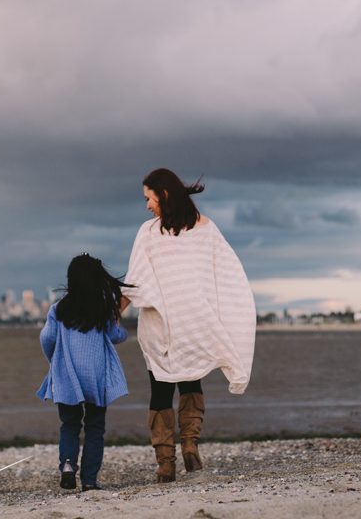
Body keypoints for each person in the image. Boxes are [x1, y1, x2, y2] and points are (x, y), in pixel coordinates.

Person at [120, 168, 256, 483]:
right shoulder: (207, 229)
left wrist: (111, 314)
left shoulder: (149, 232)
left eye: (148, 198)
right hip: (194, 324)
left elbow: (134, 283)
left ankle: (165, 465)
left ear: (163, 195)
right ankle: (191, 447)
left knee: (160, 391)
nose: (147, 206)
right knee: (191, 381)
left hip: (160, 327)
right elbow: (226, 276)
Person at [37, 253, 131, 491]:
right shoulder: (102, 309)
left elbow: (47, 338)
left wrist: (56, 361)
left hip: (67, 376)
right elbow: (116, 336)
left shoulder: (59, 309)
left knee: (69, 424)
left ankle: (68, 465)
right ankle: (89, 481)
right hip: (96, 377)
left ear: (72, 280)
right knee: (95, 427)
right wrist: (118, 323)